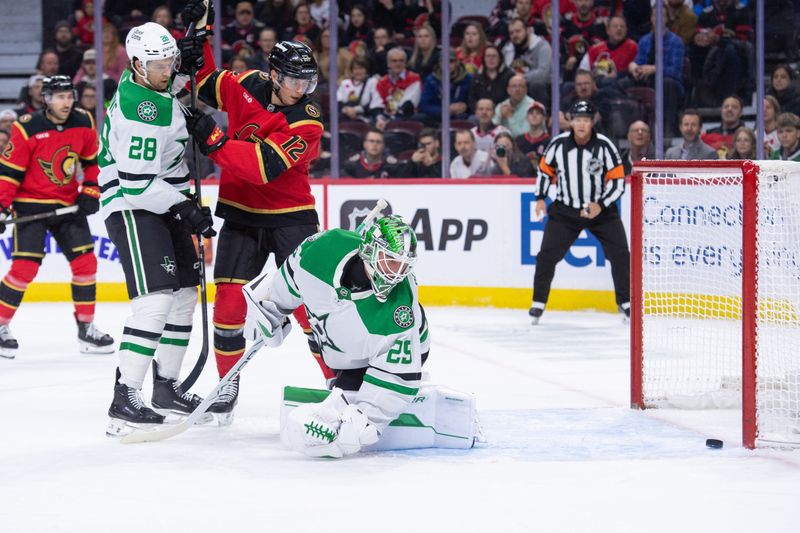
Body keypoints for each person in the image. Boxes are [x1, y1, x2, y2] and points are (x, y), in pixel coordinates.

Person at [179, 0, 331, 423]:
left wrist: (214, 141)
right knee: (228, 305)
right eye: (294, 81)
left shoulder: (308, 120)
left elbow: (264, 167)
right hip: (241, 215)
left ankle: (338, 383)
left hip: (292, 217)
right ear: (275, 75)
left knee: (309, 309)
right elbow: (206, 80)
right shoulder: (247, 84)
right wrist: (197, 38)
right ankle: (226, 391)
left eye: (307, 81)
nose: (302, 89)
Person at [98, 23, 215, 435]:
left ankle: (165, 388)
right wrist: (187, 207)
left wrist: (190, 43)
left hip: (160, 200)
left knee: (185, 295)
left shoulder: (152, 81)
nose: (168, 69)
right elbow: (137, 185)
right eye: (159, 63)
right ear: (135, 64)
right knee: (155, 301)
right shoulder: (138, 110)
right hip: (133, 206)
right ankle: (124, 398)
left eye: (170, 61)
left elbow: (172, 83)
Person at [243, 214, 434, 458]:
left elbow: (399, 375)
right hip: (340, 339)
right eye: (390, 261)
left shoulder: (400, 311)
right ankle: (344, 385)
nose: (397, 274)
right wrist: (271, 306)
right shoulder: (324, 247)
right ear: (370, 250)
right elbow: (292, 274)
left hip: (401, 350)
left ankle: (350, 386)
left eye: (404, 266)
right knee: (328, 339)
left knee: (347, 408)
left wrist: (369, 417)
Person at [0, 76, 114, 359]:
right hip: (30, 206)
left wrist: (90, 190)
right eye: (60, 97)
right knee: (25, 268)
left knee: (86, 263)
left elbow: (90, 162)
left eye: (69, 96)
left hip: (67, 206)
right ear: (46, 99)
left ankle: (86, 328)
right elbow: (10, 172)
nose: (66, 102)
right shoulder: (26, 127)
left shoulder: (83, 120)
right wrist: (1, 206)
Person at [531, 100, 629, 324]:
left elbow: (618, 182)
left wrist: (600, 205)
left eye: (586, 120)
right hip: (565, 211)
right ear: (571, 121)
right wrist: (540, 198)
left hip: (601, 212)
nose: (582, 124)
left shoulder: (605, 145)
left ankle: (625, 302)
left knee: (621, 255)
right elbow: (545, 171)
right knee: (546, 256)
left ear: (592, 122)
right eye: (578, 120)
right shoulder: (557, 145)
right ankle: (538, 302)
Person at [500, 18, 551, 103]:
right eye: (511, 33)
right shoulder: (507, 49)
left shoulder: (542, 46)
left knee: (537, 85)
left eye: (518, 31)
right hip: (515, 85)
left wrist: (521, 78)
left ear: (528, 31)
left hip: (539, 86)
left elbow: (543, 73)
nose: (515, 35)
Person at [371, 47, 421, 128]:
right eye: (394, 61)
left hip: (406, 118)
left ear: (405, 63)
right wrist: (380, 119)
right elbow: (376, 105)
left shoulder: (414, 79)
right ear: (388, 63)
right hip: (385, 118)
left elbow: (408, 105)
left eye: (401, 61)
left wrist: (389, 121)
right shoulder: (381, 82)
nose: (398, 64)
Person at [467, 45, 514, 111]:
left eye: (494, 56)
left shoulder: (509, 76)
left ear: (500, 58)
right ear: (484, 59)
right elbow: (472, 98)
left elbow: (513, 98)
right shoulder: (477, 77)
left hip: (502, 112)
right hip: (481, 113)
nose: (491, 59)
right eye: (488, 56)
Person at [338, 56, 380, 124]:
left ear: (366, 69)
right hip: (346, 115)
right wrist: (347, 110)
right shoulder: (345, 83)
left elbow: (374, 104)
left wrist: (356, 110)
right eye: (355, 69)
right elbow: (338, 102)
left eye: (361, 68)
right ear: (352, 70)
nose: (358, 71)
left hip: (365, 117)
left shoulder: (372, 82)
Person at [515, 101, 550, 167]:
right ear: (527, 117)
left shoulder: (549, 141)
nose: (534, 116)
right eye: (531, 113)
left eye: (538, 113)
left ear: (544, 118)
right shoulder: (519, 140)